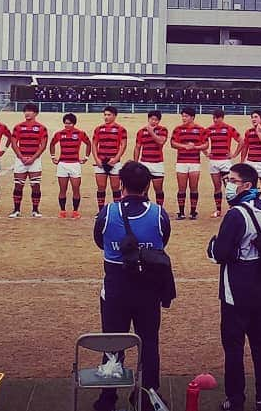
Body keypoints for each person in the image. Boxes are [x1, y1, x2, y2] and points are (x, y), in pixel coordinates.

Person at [92, 162, 172, 411]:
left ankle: (108, 397)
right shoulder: (159, 214)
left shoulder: (108, 212)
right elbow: (163, 241)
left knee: (113, 343)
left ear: (121, 184)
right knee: (149, 343)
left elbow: (99, 241)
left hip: (116, 290)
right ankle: (149, 395)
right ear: (148, 185)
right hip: (148, 291)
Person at [207, 163, 261, 411]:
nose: (228, 184)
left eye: (232, 180)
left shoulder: (236, 214)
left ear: (246, 185)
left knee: (234, 346)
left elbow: (221, 253)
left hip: (237, 289)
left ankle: (235, 399)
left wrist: (212, 247)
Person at [10, 102, 49, 217]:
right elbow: (13, 143)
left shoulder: (42, 128)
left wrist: (33, 158)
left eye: (30, 111)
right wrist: (21, 156)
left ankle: (35, 210)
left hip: (34, 161)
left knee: (35, 185)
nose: (27, 113)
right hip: (20, 160)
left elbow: (43, 145)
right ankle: (16, 210)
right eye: (26, 111)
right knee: (18, 185)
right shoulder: (18, 127)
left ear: (35, 113)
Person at [50, 113, 91, 218]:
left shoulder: (80, 133)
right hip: (62, 164)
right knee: (62, 189)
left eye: (69, 123)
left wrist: (86, 157)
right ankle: (62, 211)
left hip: (75, 165)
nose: (67, 125)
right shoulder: (59, 134)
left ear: (74, 123)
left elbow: (88, 143)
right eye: (65, 123)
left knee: (76, 188)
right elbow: (52, 144)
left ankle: (75, 211)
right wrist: (53, 156)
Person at [171, 106, 208, 220]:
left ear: (192, 117)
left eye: (186, 116)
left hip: (194, 162)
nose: (183, 118)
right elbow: (172, 143)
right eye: (182, 116)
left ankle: (193, 212)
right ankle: (181, 212)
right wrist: (185, 146)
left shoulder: (201, 130)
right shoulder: (177, 129)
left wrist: (195, 147)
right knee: (181, 188)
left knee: (194, 187)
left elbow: (206, 145)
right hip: (181, 162)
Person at [206, 109, 242, 217]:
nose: (215, 120)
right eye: (213, 118)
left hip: (225, 162)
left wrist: (234, 154)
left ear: (222, 118)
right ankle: (218, 210)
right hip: (213, 162)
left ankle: (233, 208)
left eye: (217, 118)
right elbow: (201, 141)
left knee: (229, 186)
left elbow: (241, 140)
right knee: (217, 186)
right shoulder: (209, 129)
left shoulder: (229, 128)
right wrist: (206, 152)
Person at [92, 106, 129, 209]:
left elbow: (123, 145)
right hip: (100, 162)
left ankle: (117, 210)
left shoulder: (121, 129)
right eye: (105, 115)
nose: (106, 117)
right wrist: (97, 159)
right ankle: (101, 211)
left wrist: (116, 159)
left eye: (109, 115)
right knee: (101, 187)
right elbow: (94, 144)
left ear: (115, 116)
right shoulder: (98, 129)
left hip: (114, 162)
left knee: (115, 187)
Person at [134, 111, 169, 206]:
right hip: (144, 163)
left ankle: (159, 209)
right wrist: (136, 163)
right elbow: (137, 147)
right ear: (148, 119)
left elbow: (161, 142)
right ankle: (144, 208)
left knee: (158, 189)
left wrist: (151, 132)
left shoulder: (163, 130)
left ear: (159, 121)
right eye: (151, 119)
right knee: (143, 188)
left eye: (156, 120)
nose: (153, 121)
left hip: (157, 163)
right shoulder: (141, 132)